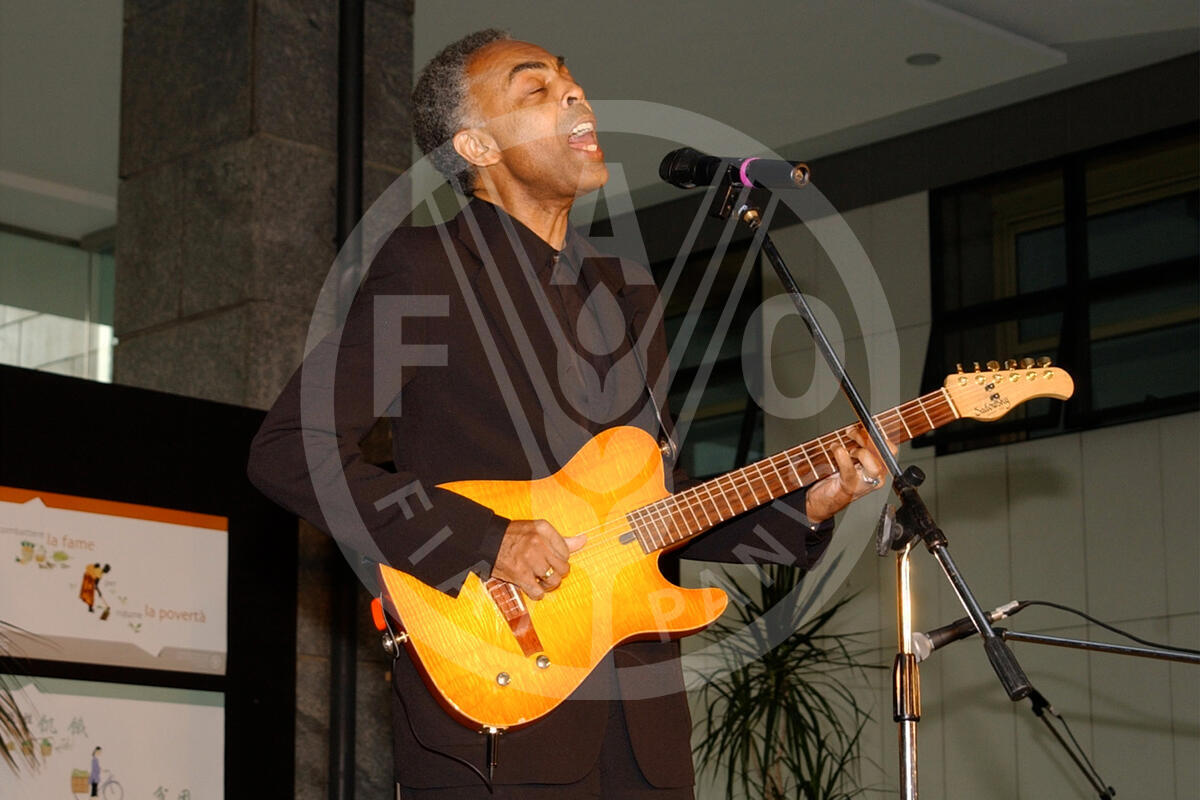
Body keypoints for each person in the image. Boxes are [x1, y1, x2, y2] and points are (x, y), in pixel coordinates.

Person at [247, 29, 890, 799]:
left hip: (642, 734)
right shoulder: (429, 267)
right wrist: (488, 540)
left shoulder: (626, 289)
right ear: (477, 145)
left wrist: (804, 507)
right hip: (499, 703)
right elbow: (291, 447)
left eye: (569, 81)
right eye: (537, 89)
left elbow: (657, 504)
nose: (574, 95)